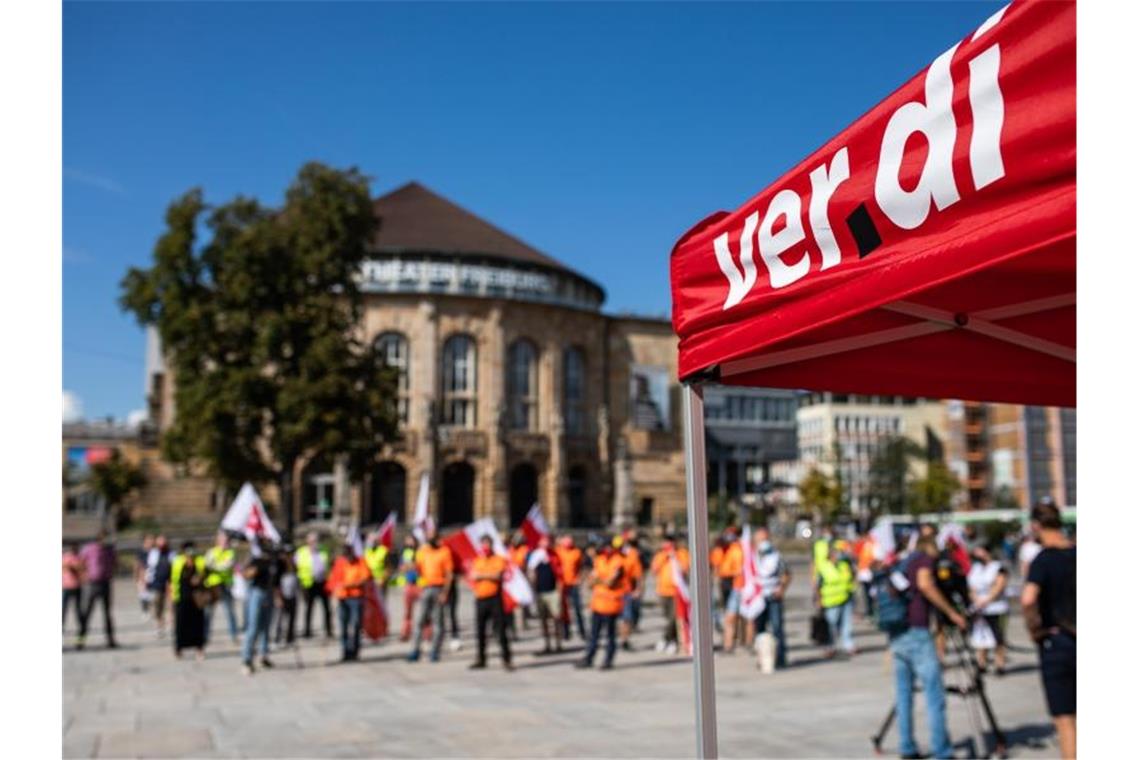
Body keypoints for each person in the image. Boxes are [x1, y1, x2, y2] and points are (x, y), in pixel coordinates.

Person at [890, 534, 967, 760]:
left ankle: (907, 747)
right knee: (934, 694)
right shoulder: (923, 560)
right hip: (917, 631)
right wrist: (951, 612)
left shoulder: (903, 561)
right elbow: (925, 584)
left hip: (898, 631)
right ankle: (942, 751)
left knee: (904, 694)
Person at [1020, 500, 1076, 760]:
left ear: (1036, 526)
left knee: (1066, 722)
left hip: (1057, 641)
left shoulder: (1042, 560)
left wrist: (1034, 629)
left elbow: (1028, 599)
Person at [576, 537, 625, 670]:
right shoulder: (599, 560)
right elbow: (590, 583)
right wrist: (602, 580)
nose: (607, 549)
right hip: (597, 604)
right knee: (594, 635)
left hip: (611, 604)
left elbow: (611, 583)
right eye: (605, 547)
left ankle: (608, 660)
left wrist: (599, 580)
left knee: (610, 635)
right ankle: (589, 658)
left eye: (609, 547)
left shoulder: (618, 562)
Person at [407, 529, 454, 663]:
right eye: (428, 536)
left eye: (433, 536)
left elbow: (449, 574)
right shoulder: (423, 552)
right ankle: (415, 650)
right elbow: (417, 568)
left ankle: (434, 651)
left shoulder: (445, 552)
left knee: (438, 622)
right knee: (419, 621)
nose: (430, 538)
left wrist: (445, 593)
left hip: (439, 589)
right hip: (426, 588)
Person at [747, 527, 791, 669]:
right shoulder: (751, 557)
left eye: (765, 539)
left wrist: (781, 589)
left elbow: (786, 574)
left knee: (777, 628)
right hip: (758, 598)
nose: (763, 542)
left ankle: (780, 658)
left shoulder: (776, 556)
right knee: (759, 630)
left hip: (773, 596)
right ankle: (762, 658)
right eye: (760, 539)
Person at [469, 534, 513, 671]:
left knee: (500, 631)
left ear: (492, 545)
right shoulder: (477, 560)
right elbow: (472, 576)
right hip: (480, 599)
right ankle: (481, 659)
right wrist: (487, 575)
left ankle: (506, 659)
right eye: (483, 544)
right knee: (480, 630)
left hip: (495, 599)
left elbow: (498, 576)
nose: (485, 547)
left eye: (487, 544)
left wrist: (481, 575)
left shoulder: (499, 559)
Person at [967, 541, 1010, 674]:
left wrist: (987, 599)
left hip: (996, 607)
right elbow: (971, 587)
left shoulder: (998, 566)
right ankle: (982, 663)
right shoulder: (975, 568)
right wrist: (976, 600)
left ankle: (999, 664)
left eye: (978, 550)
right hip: (979, 608)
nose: (975, 553)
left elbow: (999, 585)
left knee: (998, 637)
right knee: (980, 636)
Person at [327, 543, 372, 662]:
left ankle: (355, 651)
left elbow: (365, 578)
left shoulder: (360, 562)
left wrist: (349, 585)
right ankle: (345, 651)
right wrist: (333, 592)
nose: (347, 558)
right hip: (342, 598)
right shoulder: (340, 563)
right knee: (344, 626)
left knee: (356, 624)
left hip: (356, 598)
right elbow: (334, 580)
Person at [241, 537, 277, 675]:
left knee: (266, 626)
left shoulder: (273, 561)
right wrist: (252, 570)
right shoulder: (255, 559)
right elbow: (246, 574)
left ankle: (263, 655)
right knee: (253, 627)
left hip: (269, 592)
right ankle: (246, 658)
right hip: (256, 593)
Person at [77, 530, 118, 650]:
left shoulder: (110, 550)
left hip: (105, 583)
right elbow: (80, 563)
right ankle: (81, 640)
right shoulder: (89, 549)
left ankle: (110, 640)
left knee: (107, 613)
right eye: (104, 538)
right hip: (92, 583)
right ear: (99, 538)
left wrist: (111, 573)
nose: (106, 541)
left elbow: (115, 563)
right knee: (87, 613)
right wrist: (84, 576)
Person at [649, 534, 689, 653]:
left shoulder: (682, 553)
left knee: (674, 617)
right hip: (663, 591)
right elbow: (654, 570)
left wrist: (675, 557)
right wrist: (665, 557)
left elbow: (685, 569)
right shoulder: (660, 555)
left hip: (677, 592)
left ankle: (665, 638)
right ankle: (673, 641)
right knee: (668, 618)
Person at [816, 540, 856, 657]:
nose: (838, 555)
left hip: (846, 598)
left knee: (847, 624)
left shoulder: (844, 565)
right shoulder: (824, 567)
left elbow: (852, 577)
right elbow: (818, 585)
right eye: (836, 552)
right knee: (831, 625)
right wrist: (819, 600)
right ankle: (830, 647)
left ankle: (849, 645)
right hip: (831, 601)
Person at [170, 541, 207, 660]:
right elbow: (171, 579)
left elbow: (207, 575)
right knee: (180, 624)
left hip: (197, 598)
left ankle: (199, 648)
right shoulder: (177, 561)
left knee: (198, 624)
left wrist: (200, 579)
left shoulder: (200, 561)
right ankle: (179, 648)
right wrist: (171, 596)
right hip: (181, 597)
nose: (190, 552)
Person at [527, 535, 563, 654]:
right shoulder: (536, 555)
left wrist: (559, 591)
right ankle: (547, 645)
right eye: (544, 541)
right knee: (543, 620)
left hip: (553, 592)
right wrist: (532, 587)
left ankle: (558, 644)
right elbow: (531, 572)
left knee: (556, 619)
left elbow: (559, 574)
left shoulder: (555, 555)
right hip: (540, 592)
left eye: (548, 541)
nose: (546, 543)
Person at [295, 531, 333, 639]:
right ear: (307, 541)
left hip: (322, 582)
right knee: (309, 608)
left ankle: (329, 630)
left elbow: (328, 566)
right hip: (308, 584)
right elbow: (296, 567)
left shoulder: (324, 551)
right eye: (311, 541)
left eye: (316, 541)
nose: (314, 543)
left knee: (326, 608)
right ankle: (307, 631)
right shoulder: (301, 552)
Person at [203, 531, 239, 645]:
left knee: (230, 612)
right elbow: (207, 565)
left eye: (226, 540)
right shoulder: (211, 552)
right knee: (208, 613)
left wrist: (215, 565)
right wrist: (217, 566)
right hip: (212, 586)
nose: (225, 542)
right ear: (217, 541)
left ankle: (234, 635)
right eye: (222, 540)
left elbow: (225, 566)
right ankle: (205, 636)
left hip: (225, 586)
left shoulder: (230, 553)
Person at [716, 527, 744, 653]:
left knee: (731, 616)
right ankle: (732, 640)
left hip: (736, 584)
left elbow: (738, 569)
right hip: (725, 583)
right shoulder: (722, 549)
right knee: (729, 614)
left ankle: (729, 643)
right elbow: (716, 564)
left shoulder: (737, 549)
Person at [554, 535, 586, 641]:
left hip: (573, 583)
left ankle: (582, 632)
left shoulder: (577, 552)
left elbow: (581, 567)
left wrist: (580, 578)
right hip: (562, 584)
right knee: (564, 609)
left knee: (577, 608)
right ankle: (566, 632)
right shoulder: (558, 551)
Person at [618, 536, 644, 651]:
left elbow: (638, 575)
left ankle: (624, 640)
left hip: (626, 592)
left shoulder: (632, 555)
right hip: (611, 594)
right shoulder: (609, 556)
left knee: (626, 617)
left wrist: (638, 590)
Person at [146, 535, 173, 637]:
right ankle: (159, 626)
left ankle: (171, 626)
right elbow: (150, 569)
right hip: (157, 583)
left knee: (171, 606)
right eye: (160, 541)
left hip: (170, 583)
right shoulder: (153, 554)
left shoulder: (172, 554)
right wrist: (148, 581)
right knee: (158, 607)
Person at [396, 535, 421, 641]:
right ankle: (405, 633)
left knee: (424, 611)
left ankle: (427, 633)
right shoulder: (405, 553)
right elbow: (402, 568)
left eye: (411, 540)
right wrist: (410, 566)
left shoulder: (421, 552)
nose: (410, 543)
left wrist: (411, 566)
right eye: (408, 541)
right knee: (407, 612)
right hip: (409, 584)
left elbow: (421, 566)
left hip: (420, 584)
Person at [274, 549, 298, 647]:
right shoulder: (279, 567)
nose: (288, 557)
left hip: (292, 595)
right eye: (286, 554)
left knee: (292, 617)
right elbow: (276, 584)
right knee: (280, 619)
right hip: (283, 595)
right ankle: (278, 638)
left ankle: (290, 638)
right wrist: (278, 597)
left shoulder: (294, 566)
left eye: (290, 554)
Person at [63, 542, 85, 636]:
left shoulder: (79, 558)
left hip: (76, 586)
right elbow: (65, 567)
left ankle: (81, 630)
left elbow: (81, 569)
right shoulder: (65, 557)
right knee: (63, 610)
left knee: (78, 610)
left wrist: (73, 567)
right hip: (66, 587)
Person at [134, 534, 154, 619]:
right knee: (143, 594)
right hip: (143, 573)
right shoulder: (141, 551)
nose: (151, 541)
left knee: (152, 594)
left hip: (153, 573)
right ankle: (145, 610)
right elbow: (137, 564)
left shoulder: (155, 550)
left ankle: (153, 610)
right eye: (149, 539)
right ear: (145, 541)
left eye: (152, 539)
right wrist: (137, 576)